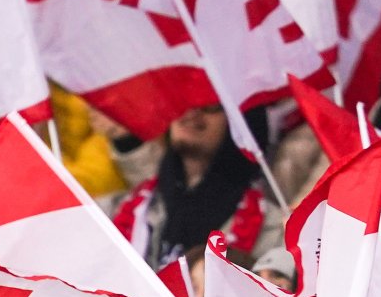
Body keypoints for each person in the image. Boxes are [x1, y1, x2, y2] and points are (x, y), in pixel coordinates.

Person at [112, 107, 271, 267]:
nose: (189, 113)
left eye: (209, 106)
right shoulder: (132, 205)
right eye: (182, 102)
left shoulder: (270, 228)